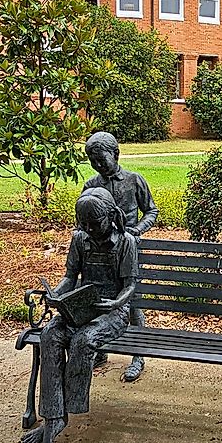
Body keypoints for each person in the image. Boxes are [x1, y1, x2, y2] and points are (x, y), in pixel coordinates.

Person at [20, 187, 137, 443]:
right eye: (83, 223)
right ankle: (53, 416)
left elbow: (130, 285)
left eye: (94, 223)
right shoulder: (79, 239)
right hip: (81, 307)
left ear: (110, 216)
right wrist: (57, 296)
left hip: (113, 312)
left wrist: (115, 304)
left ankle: (67, 413)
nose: (89, 229)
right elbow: (70, 277)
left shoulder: (125, 242)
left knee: (83, 340)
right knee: (50, 334)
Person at [81, 131, 157, 382]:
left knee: (132, 301)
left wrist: (135, 231)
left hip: (129, 248)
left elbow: (151, 211)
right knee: (99, 298)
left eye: (102, 160)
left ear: (116, 154)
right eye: (93, 162)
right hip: (101, 252)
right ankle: (100, 349)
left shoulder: (134, 181)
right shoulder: (91, 185)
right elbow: (84, 218)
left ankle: (138, 355)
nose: (98, 166)